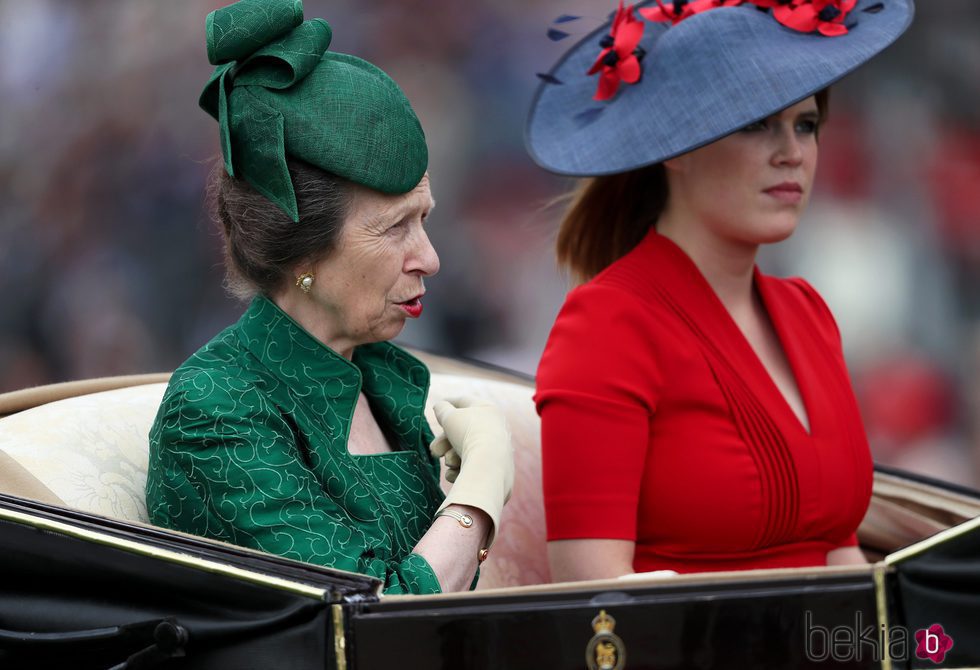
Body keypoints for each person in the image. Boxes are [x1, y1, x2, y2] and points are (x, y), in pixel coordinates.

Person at [525, 0, 914, 580]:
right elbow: (593, 598)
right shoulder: (608, 323)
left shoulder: (807, 312)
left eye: (805, 125)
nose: (793, 154)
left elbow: (840, 554)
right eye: (756, 122)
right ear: (677, 145)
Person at [145, 0, 513, 595]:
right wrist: (478, 496)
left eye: (425, 220)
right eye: (396, 228)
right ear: (303, 251)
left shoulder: (380, 378)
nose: (431, 258)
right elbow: (370, 623)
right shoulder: (217, 408)